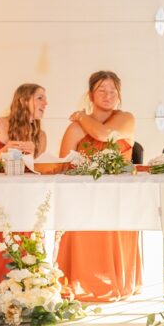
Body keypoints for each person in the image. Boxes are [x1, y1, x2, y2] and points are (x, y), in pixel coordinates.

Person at [57, 71, 142, 302]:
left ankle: (117, 282)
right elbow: (63, 164)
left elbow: (105, 134)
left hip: (118, 197)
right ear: (90, 94)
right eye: (101, 90)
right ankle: (81, 283)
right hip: (83, 198)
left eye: (113, 91)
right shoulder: (74, 129)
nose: (108, 95)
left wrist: (81, 117)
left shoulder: (126, 118)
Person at [0, 83, 48, 279]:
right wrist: (3, 151)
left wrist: (34, 158)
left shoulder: (40, 137)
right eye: (40, 97)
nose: (46, 103)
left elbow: (40, 172)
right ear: (24, 100)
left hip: (24, 202)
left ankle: (25, 286)